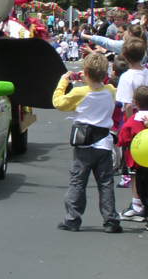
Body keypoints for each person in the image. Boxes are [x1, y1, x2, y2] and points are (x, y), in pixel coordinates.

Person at [52, 52, 122, 233]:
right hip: (104, 143)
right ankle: (111, 220)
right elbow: (102, 86)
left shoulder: (78, 92)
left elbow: (58, 103)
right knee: (105, 183)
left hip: (84, 144)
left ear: (86, 72)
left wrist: (63, 82)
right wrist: (91, 79)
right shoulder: (110, 91)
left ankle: (72, 219)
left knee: (78, 182)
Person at [117, 85, 148, 223]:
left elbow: (122, 139)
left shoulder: (133, 120)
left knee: (144, 190)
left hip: (140, 162)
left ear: (136, 103)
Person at [116, 37, 148, 120]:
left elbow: (128, 106)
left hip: (133, 117)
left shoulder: (126, 77)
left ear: (125, 56)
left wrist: (131, 125)